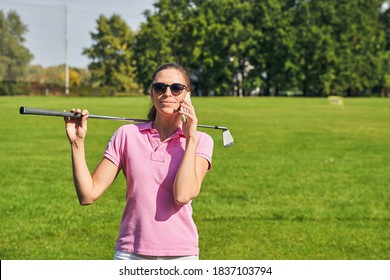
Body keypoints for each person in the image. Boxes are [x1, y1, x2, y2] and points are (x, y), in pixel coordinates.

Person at [64, 63, 214, 260]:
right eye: (160, 87)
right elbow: (88, 194)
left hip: (181, 255)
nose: (167, 93)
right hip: (130, 253)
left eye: (176, 88)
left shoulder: (201, 140)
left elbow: (183, 195)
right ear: (152, 94)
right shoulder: (127, 134)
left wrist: (190, 137)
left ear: (187, 96)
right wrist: (77, 143)